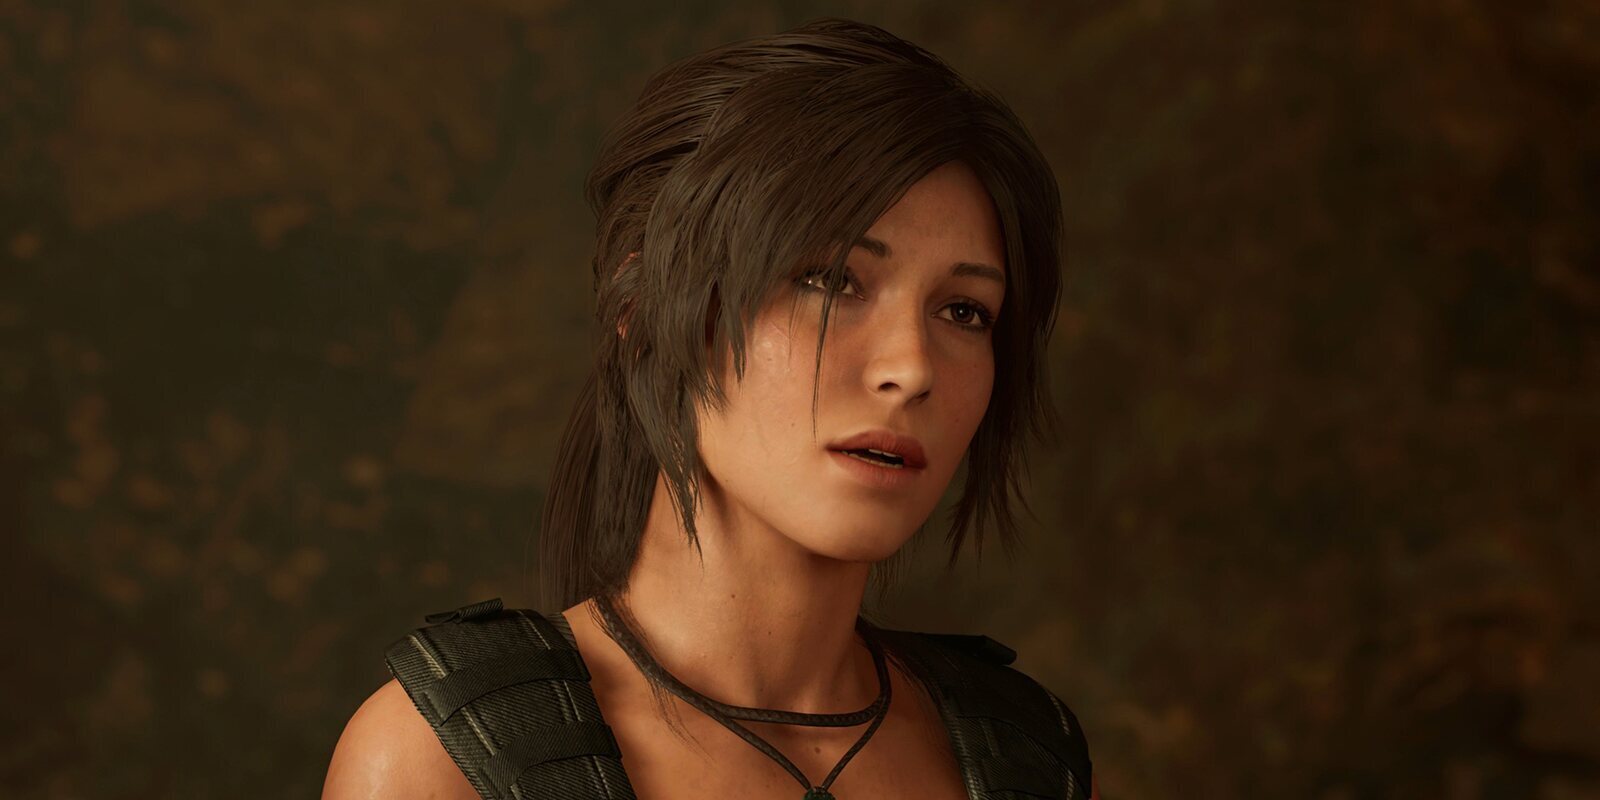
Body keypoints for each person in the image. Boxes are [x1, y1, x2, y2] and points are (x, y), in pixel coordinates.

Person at [324, 17, 1096, 800]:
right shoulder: (438, 764)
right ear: (646, 308)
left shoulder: (1036, 765)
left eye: (964, 311)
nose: (911, 368)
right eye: (831, 280)